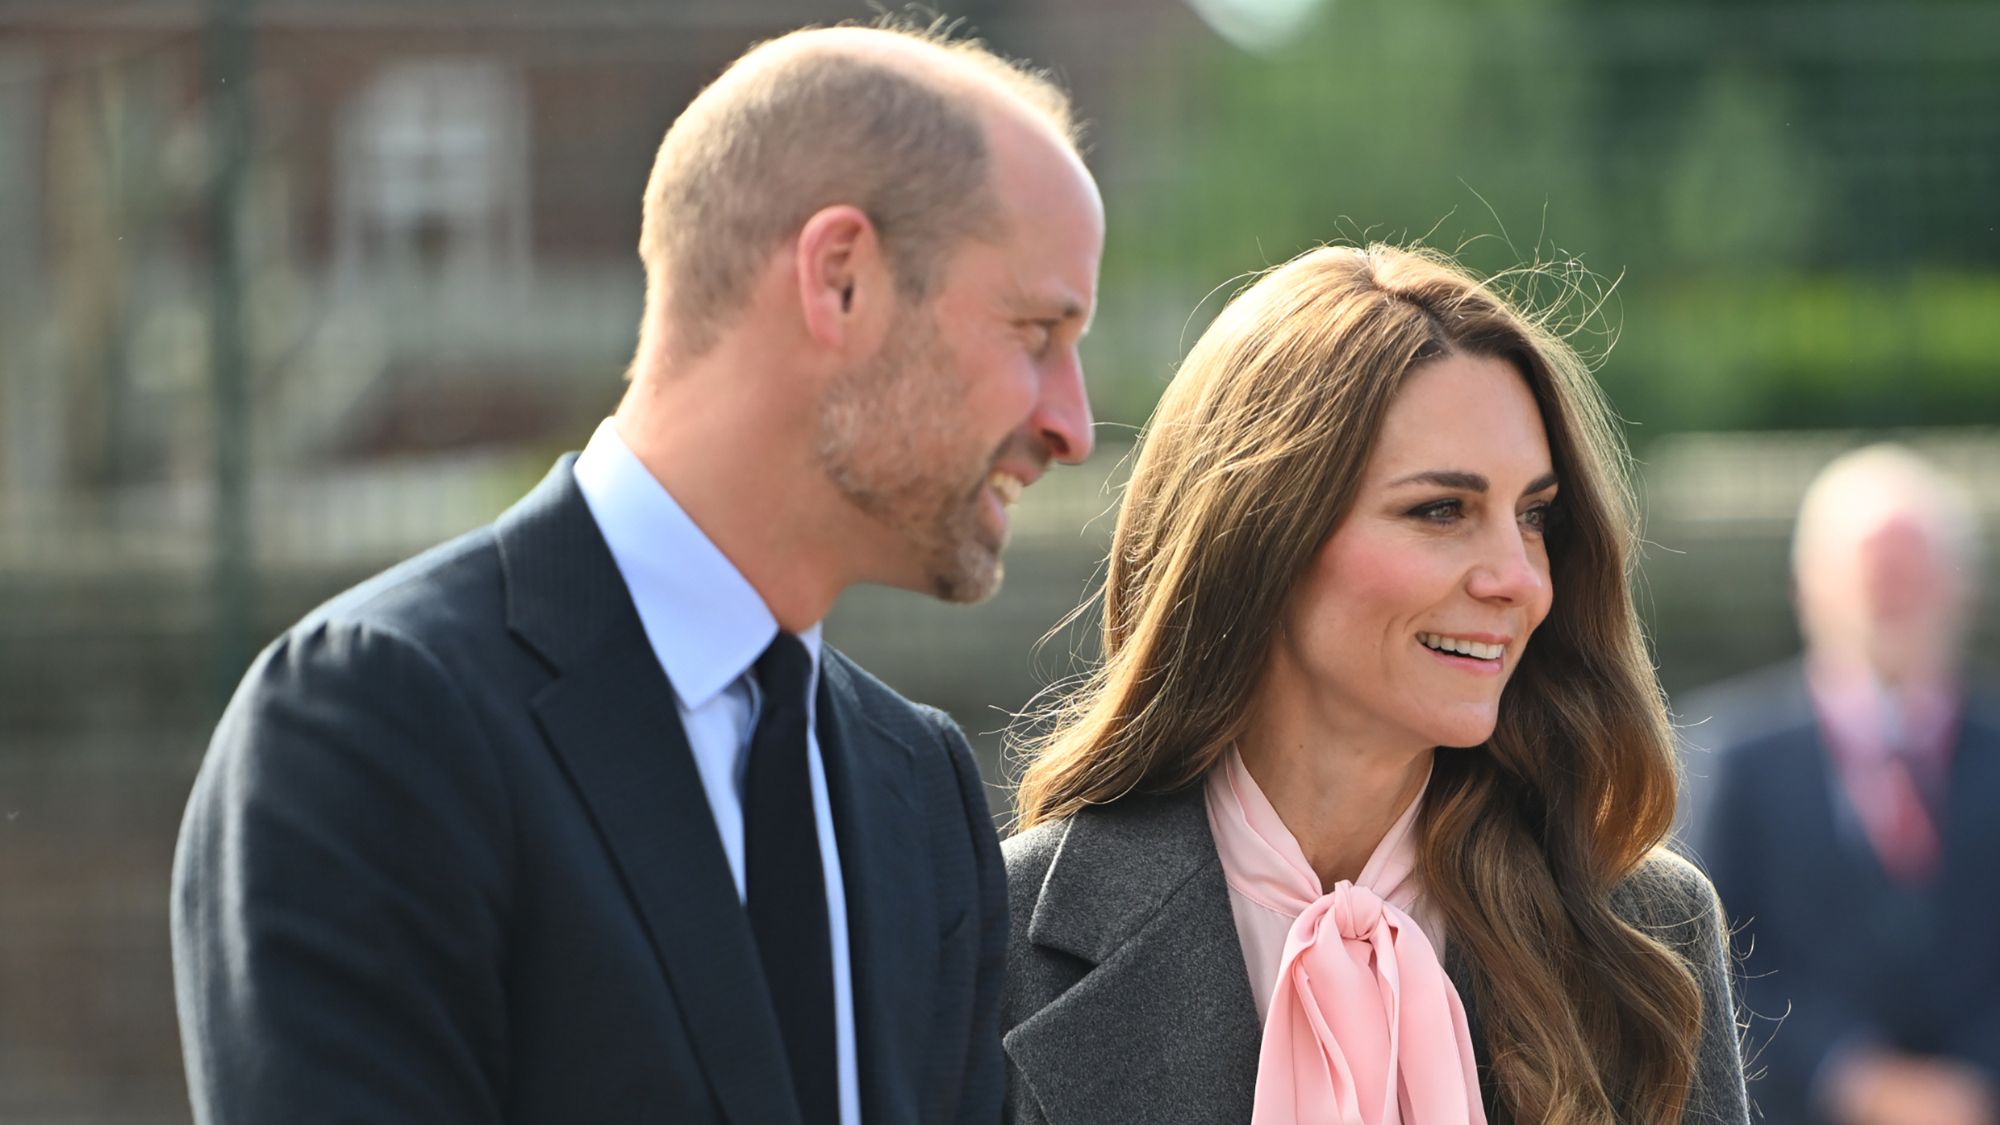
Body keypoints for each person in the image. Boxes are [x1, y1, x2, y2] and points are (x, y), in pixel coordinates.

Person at [170, 22, 1103, 1125]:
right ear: (840, 280)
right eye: (1035, 331)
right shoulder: (379, 721)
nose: (1072, 424)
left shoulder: (916, 792)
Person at [999, 244, 1749, 1125]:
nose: (1519, 578)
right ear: (1263, 535)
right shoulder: (995, 936)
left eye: (1535, 516)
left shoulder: (1644, 930)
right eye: (1442, 510)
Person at [1683, 445, 2000, 1125]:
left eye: (1913, 570)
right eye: (1870, 571)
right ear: (1808, 587)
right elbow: (1705, 952)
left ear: (1962, 586)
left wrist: (1972, 1085)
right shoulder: (1727, 756)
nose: (1891, 592)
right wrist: (1852, 1076)